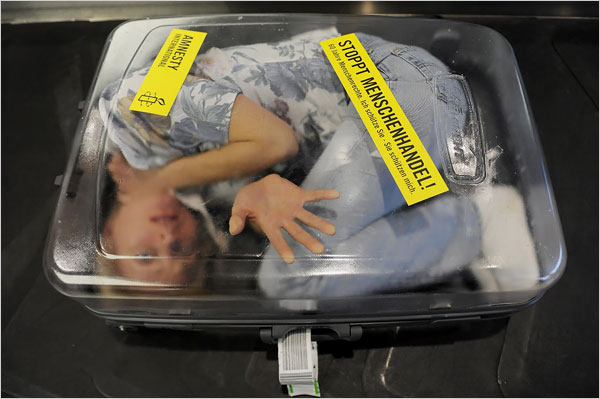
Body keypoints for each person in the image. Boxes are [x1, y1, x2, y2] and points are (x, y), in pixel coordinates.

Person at [98, 27, 539, 297]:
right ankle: (457, 223)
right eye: (178, 251)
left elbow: (277, 141)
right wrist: (264, 195)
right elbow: (286, 190)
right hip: (393, 123)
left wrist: (157, 177)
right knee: (294, 262)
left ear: (110, 235)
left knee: (285, 282)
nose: (166, 234)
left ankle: (476, 219)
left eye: (144, 252)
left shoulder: (130, 115)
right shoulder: (202, 191)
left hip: (393, 88)